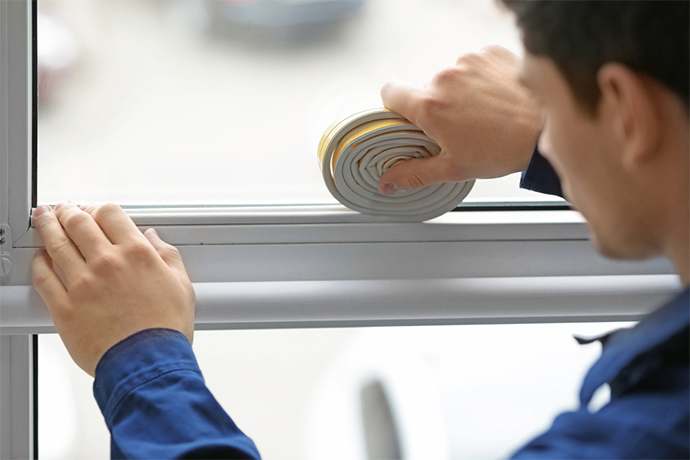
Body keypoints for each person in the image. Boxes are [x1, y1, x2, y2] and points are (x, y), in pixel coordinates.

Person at [30, 0, 688, 458]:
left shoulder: (644, 438)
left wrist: (143, 358)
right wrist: (562, 130)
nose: (544, 132)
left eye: (541, 97)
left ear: (629, 112)